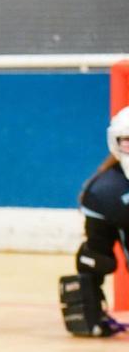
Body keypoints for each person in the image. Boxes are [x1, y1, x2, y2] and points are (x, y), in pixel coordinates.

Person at [59, 106, 129, 337]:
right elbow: (96, 255)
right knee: (95, 258)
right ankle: (90, 314)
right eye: (127, 141)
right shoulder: (105, 191)